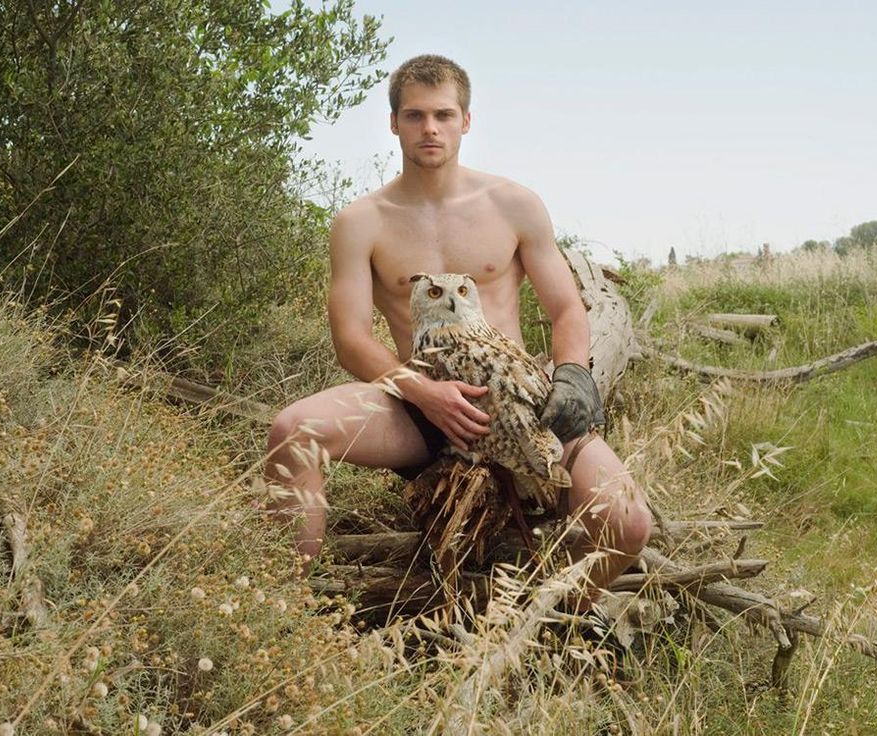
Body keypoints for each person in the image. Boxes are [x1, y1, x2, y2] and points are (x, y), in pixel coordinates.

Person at [265, 54, 651, 608]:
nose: (430, 129)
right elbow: (350, 338)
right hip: (416, 406)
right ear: (393, 122)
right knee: (293, 429)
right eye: (415, 115)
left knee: (628, 522)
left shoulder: (513, 204)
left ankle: (536, 621)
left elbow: (567, 309)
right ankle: (279, 612)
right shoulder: (362, 222)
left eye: (444, 115)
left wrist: (571, 379)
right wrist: (421, 390)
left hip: (518, 399)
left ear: (466, 121)